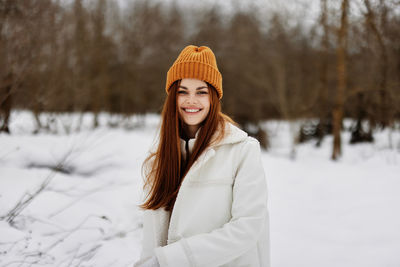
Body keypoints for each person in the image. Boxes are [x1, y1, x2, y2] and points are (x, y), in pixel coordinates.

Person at [134, 45, 270, 267]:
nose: (191, 100)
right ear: (172, 98)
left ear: (213, 98)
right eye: (183, 91)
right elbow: (152, 239)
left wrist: (171, 260)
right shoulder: (158, 161)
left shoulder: (243, 151)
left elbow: (248, 227)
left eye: (201, 92)